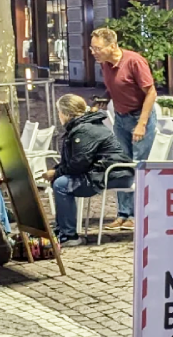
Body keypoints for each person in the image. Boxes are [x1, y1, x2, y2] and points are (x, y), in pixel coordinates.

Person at [42, 94, 134, 247]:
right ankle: (63, 229)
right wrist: (57, 170)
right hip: (105, 171)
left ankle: (69, 235)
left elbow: (79, 162)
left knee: (61, 184)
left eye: (59, 111)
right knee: (60, 181)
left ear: (65, 113)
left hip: (114, 173)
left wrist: (57, 172)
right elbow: (76, 160)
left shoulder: (83, 129)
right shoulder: (82, 125)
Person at [90, 27, 157, 232]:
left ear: (112, 46)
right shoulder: (105, 64)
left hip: (139, 117)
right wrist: (103, 100)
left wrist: (142, 124)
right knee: (120, 164)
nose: (94, 52)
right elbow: (113, 86)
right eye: (92, 48)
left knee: (136, 165)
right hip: (120, 118)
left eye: (97, 48)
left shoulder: (134, 61)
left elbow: (151, 93)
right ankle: (123, 214)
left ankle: (137, 215)